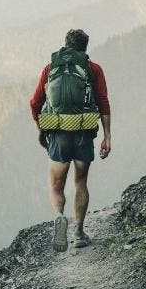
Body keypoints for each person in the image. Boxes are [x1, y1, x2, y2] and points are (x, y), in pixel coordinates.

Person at [29, 27, 112, 252]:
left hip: (57, 134)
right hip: (83, 132)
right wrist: (107, 136)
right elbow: (103, 102)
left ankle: (59, 216)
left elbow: (35, 103)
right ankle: (78, 232)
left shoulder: (50, 69)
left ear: (65, 45)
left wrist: (41, 129)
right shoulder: (93, 69)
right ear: (85, 48)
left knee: (56, 185)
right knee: (80, 182)